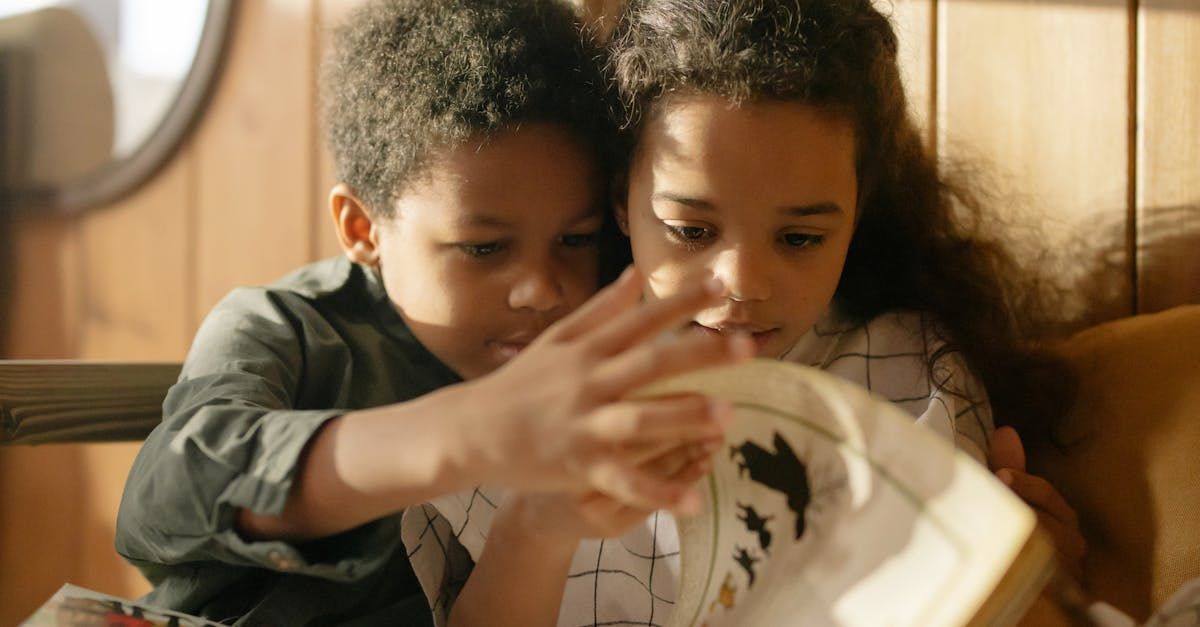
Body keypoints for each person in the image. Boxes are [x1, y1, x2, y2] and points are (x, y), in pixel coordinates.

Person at [438, 0, 1088, 624]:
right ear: (619, 199)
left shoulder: (913, 376)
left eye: (800, 239)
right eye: (692, 231)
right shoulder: (539, 375)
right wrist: (535, 530)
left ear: (857, 213)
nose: (742, 283)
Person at [113, 0, 756, 624]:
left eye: (576, 239)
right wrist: (465, 433)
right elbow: (164, 495)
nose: (540, 289)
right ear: (362, 226)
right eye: (483, 248)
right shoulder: (287, 327)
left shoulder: (598, 357)